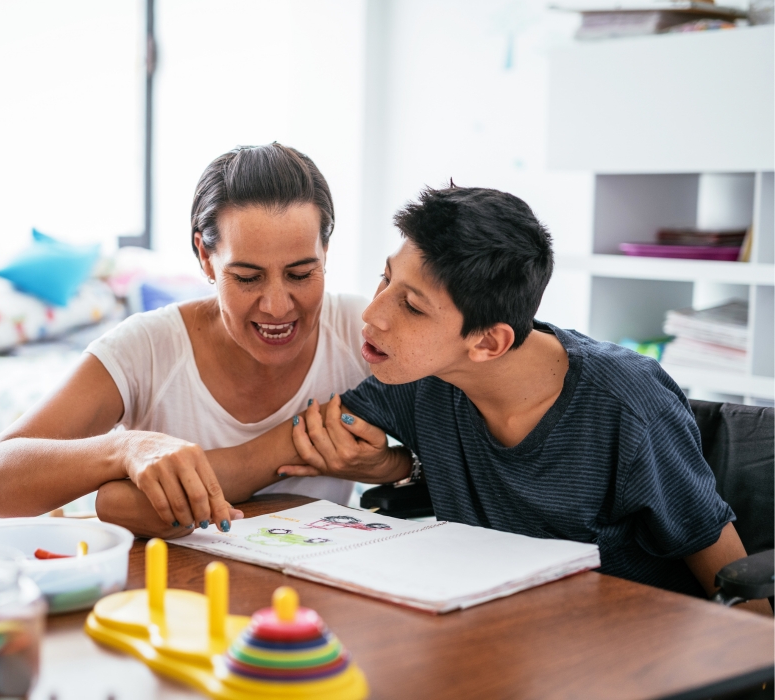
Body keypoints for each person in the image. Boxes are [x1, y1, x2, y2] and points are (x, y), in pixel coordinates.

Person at [269, 184, 768, 611]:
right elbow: (271, 455)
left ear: (488, 342)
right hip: (500, 632)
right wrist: (188, 459)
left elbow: (737, 586)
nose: (372, 313)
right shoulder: (425, 374)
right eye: (385, 278)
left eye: (412, 306)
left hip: (628, 653)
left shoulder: (627, 404)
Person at [0, 142, 370, 537]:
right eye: (247, 278)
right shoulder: (147, 349)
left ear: (326, 252)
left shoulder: (360, 330)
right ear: (205, 256)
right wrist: (127, 449)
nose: (278, 306)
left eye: (301, 273)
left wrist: (396, 465)